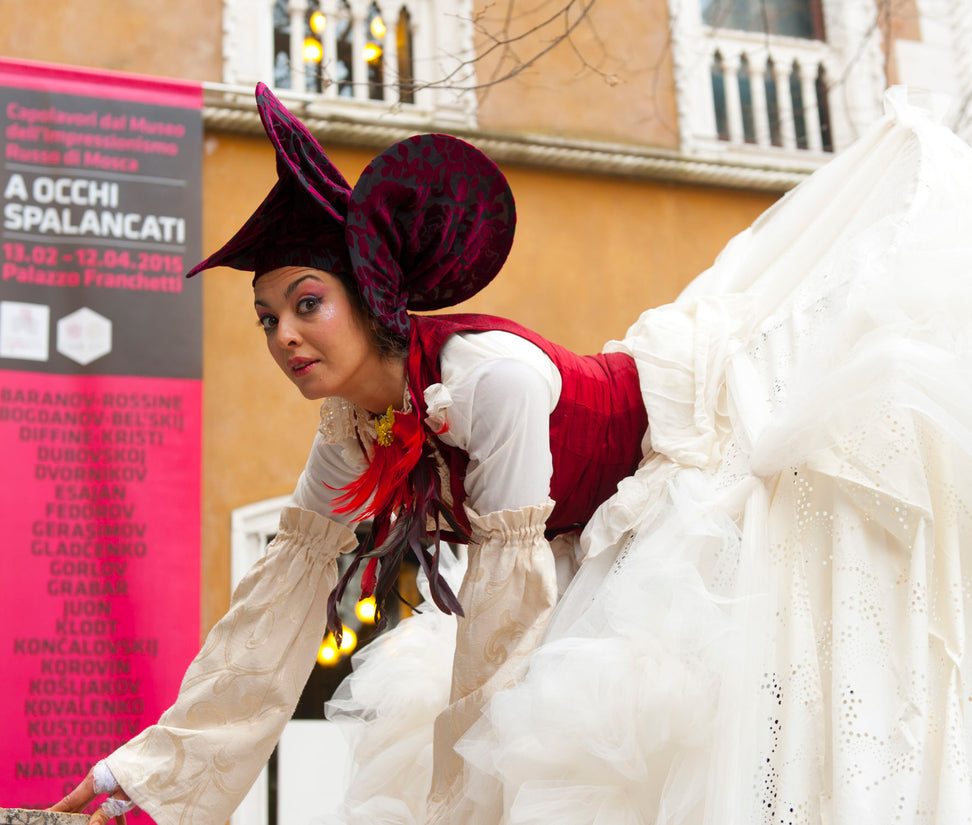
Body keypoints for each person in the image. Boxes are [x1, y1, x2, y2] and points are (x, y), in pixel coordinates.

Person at [51, 83, 972, 825]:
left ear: (370, 298)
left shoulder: (488, 378)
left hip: (694, 451)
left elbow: (506, 612)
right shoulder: (351, 433)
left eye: (305, 303)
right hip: (588, 538)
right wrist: (155, 782)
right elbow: (279, 607)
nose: (285, 335)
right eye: (267, 319)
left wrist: (468, 809)